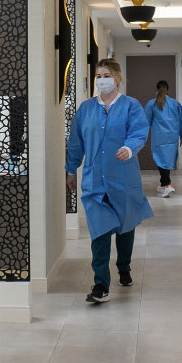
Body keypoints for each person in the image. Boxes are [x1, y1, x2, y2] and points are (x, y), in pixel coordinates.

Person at [66, 59, 154, 303]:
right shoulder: (86, 109)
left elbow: (138, 132)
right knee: (100, 232)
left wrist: (130, 147)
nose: (101, 79)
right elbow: (76, 142)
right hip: (94, 180)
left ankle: (124, 267)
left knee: (125, 227)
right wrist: (71, 169)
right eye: (98, 75)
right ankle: (100, 284)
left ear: (117, 78)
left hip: (123, 178)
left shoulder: (131, 106)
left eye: (106, 75)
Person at [143, 80, 182, 197]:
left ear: (157, 90)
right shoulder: (175, 104)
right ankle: (163, 184)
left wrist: (141, 138)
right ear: (168, 90)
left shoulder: (151, 104)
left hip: (159, 136)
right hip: (172, 137)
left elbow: (145, 122)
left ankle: (168, 185)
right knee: (166, 160)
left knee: (161, 160)